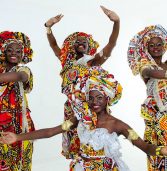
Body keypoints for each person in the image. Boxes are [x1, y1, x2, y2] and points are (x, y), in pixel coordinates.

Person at [1, 66, 167, 171]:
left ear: (107, 99)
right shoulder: (79, 120)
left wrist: (161, 151)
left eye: (99, 98)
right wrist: (17, 137)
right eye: (91, 98)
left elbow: (145, 147)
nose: (95, 102)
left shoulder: (118, 125)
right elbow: (51, 132)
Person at [44, 5, 120, 159]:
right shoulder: (66, 62)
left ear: (88, 45)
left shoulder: (93, 61)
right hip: (71, 108)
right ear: (72, 45)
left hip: (93, 107)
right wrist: (48, 27)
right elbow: (53, 45)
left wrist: (116, 22)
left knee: (94, 145)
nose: (80, 43)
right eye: (77, 41)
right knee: (75, 144)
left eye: (84, 42)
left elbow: (111, 44)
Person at [127, 25, 167, 170]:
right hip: (158, 116)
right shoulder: (145, 64)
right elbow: (148, 72)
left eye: (159, 44)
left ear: (164, 46)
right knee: (160, 153)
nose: (156, 47)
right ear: (146, 48)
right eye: (152, 45)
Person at [0, 31, 35, 171]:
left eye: (18, 50)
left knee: (20, 161)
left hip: (20, 124)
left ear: (23, 53)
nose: (14, 53)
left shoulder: (24, 69)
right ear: (3, 51)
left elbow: (20, 76)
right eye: (10, 50)